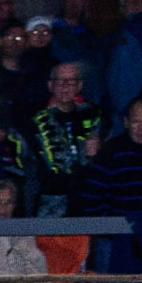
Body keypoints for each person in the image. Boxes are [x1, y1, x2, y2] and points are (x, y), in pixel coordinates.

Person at [80, 97, 142, 272]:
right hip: (117, 238)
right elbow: (93, 196)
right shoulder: (111, 151)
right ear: (126, 122)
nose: (141, 128)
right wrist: (111, 228)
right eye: (135, 122)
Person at [23, 62, 103, 216]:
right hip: (47, 201)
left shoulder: (92, 114)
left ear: (79, 86)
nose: (65, 86)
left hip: (85, 197)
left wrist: (98, 149)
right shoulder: (33, 118)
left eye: (71, 81)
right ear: (50, 85)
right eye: (60, 80)